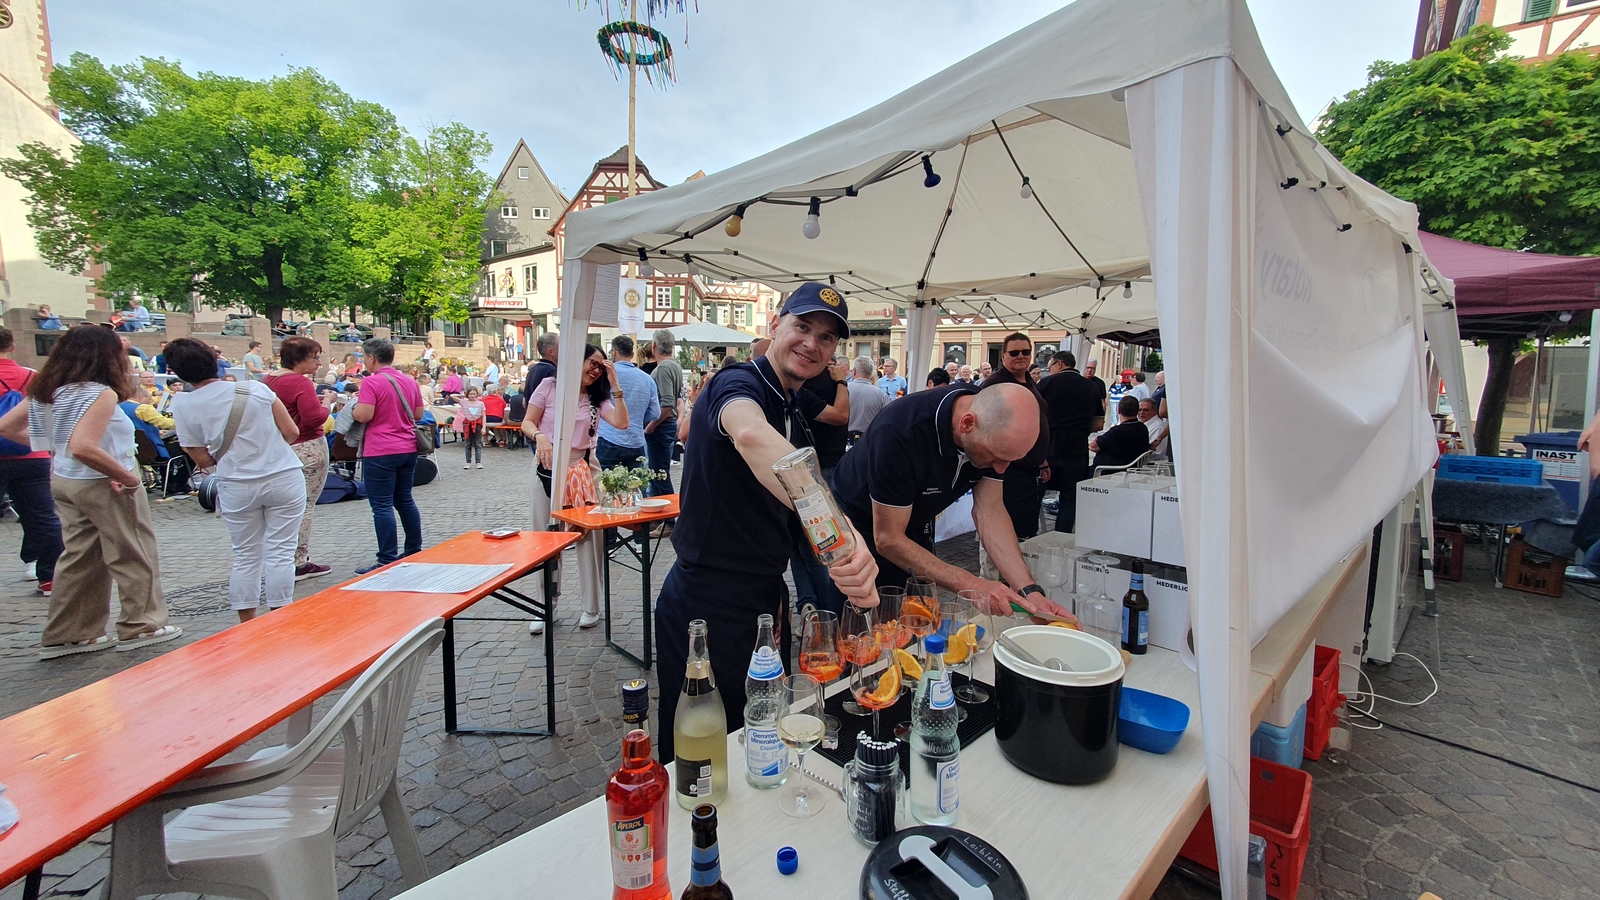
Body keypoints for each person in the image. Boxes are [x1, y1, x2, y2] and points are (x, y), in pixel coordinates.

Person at [653, 282, 878, 762]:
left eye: (826, 338)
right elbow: (751, 433)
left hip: (760, 594)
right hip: (708, 600)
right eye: (803, 327)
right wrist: (846, 536)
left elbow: (788, 494)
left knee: (755, 730)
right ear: (774, 325)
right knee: (707, 748)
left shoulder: (790, 400)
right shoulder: (740, 383)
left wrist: (835, 551)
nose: (812, 344)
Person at [0, 325, 180, 658]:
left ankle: (69, 632)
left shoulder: (47, 389)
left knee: (79, 556)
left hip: (67, 480)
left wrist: (55, 448)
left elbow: (7, 426)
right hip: (103, 480)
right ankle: (142, 623)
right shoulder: (100, 393)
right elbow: (84, 446)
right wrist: (125, 476)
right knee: (132, 549)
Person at [832, 379, 1073, 621]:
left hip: (913, 518)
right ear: (968, 423)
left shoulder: (991, 426)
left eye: (1010, 460)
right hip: (858, 522)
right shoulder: (900, 431)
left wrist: (1029, 591)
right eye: (997, 457)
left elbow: (991, 512)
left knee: (917, 615)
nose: (1001, 470)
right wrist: (973, 584)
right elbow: (888, 538)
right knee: (866, 624)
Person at [169, 339, 305, 622]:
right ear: (214, 361)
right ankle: (281, 616)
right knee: (281, 551)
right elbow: (291, 432)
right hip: (282, 474)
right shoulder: (255, 389)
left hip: (236, 482)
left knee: (246, 555)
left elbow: (200, 457)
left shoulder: (183, 403)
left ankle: (247, 623)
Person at [522, 344, 629, 633]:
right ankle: (546, 606)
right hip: (546, 467)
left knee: (588, 539)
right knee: (544, 538)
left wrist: (615, 384)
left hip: (583, 468)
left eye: (600, 366)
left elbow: (621, 422)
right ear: (576, 361)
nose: (595, 370)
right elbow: (527, 422)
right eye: (592, 363)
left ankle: (591, 605)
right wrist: (540, 437)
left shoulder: (598, 398)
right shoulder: (549, 385)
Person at [350, 338, 425, 574]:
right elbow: (419, 414)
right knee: (404, 499)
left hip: (381, 449)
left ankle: (386, 557)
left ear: (372, 358)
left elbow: (363, 415)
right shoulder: (409, 381)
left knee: (381, 505)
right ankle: (414, 549)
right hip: (407, 447)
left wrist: (353, 407)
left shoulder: (372, 383)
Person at [263, 336, 333, 580]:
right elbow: (314, 418)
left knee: (283, 506)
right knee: (304, 505)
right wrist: (327, 404)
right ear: (298, 359)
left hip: (281, 447)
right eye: (314, 358)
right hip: (307, 446)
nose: (318, 363)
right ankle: (298, 560)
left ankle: (281, 556)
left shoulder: (269, 380)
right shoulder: (299, 383)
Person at [788, 354, 852, 617]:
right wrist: (842, 382)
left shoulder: (796, 385)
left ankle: (809, 603)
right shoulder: (831, 383)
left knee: (800, 543)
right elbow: (842, 416)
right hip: (824, 469)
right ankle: (825, 611)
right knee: (821, 543)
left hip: (799, 470)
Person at [0, 326, 61, 596]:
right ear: (12, 346)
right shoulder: (33, 377)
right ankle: (50, 577)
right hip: (32, 453)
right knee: (43, 517)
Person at [981, 332, 1051, 540]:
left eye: (1026, 352)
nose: (1020, 356)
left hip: (1029, 469)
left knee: (1024, 529)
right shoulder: (995, 383)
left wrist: (1042, 460)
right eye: (1014, 352)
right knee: (1003, 530)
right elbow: (981, 425)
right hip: (1007, 471)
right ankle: (995, 572)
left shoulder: (1029, 379)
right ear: (1003, 356)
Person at [1037, 350, 1105, 533]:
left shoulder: (1047, 383)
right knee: (1069, 500)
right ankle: (1060, 538)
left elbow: (1033, 414)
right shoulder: (1092, 387)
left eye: (1050, 366)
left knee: (1037, 495)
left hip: (1049, 448)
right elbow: (1099, 423)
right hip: (1077, 449)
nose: (1049, 370)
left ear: (1059, 364)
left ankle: (1031, 537)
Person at [595, 334, 660, 479]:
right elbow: (655, 413)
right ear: (632, 354)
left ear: (614, 352)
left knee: (607, 488)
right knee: (636, 489)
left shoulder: (604, 375)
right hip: (636, 440)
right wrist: (637, 416)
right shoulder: (647, 379)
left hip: (608, 437)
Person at [644, 328, 684, 536]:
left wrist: (651, 425)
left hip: (661, 426)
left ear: (654, 346)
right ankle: (660, 518)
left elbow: (667, 403)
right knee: (658, 472)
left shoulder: (662, 369)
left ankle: (668, 521)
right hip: (667, 425)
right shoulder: (674, 366)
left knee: (659, 474)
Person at [1090, 395, 1150, 471]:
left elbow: (1092, 447)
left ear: (1118, 410)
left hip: (1109, 471)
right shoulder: (1143, 428)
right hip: (1133, 468)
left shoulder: (1117, 431)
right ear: (1137, 411)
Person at [846, 356, 891, 442]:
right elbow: (886, 420)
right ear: (871, 373)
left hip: (844, 438)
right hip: (869, 439)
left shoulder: (843, 390)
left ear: (854, 371)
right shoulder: (881, 395)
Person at [455, 386, 486, 468]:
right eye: (470, 394)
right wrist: (463, 396)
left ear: (477, 395)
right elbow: (452, 396)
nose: (472, 395)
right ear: (467, 394)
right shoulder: (464, 402)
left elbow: (484, 415)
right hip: (467, 424)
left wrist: (484, 427)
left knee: (477, 443)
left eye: (474, 394)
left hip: (477, 424)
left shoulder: (480, 403)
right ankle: (468, 462)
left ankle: (478, 462)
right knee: (468, 444)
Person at [524, 331, 559, 399]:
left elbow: (524, 402)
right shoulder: (553, 372)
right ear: (551, 352)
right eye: (560, 347)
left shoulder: (532, 370)